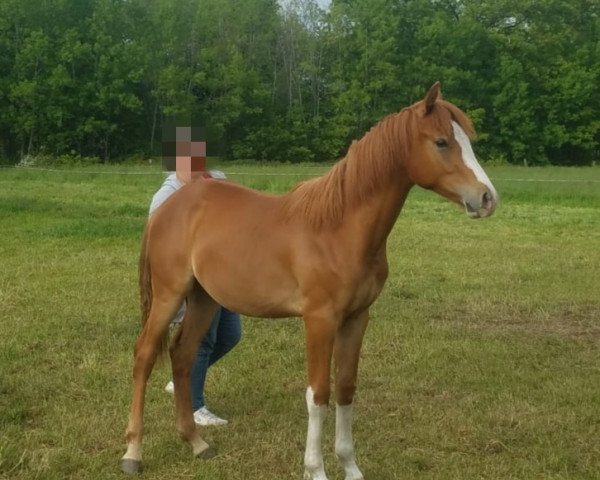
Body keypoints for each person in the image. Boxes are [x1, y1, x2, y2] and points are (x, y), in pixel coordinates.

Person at [149, 135, 241, 426]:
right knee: (202, 338)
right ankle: (194, 406)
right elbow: (160, 244)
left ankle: (181, 377)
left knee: (231, 335)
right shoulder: (167, 197)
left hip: (224, 273)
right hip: (193, 277)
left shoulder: (215, 180)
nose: (197, 167)